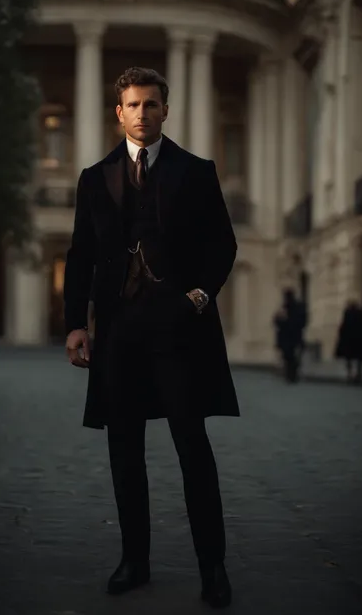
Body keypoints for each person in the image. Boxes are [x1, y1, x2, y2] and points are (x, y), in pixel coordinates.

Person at [64, 67, 239, 608]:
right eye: (133, 105)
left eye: (152, 104)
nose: (143, 113)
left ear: (167, 110)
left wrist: (200, 295)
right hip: (119, 334)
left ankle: (213, 568)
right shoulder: (95, 178)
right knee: (125, 453)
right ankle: (133, 561)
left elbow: (223, 245)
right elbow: (80, 256)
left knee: (193, 449)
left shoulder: (197, 171)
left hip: (179, 333)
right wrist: (76, 323)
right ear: (119, 112)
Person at [335, 299, 362, 382]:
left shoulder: (348, 313)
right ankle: (359, 373)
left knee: (349, 357)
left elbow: (344, 326)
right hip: (360, 338)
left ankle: (350, 373)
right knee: (359, 357)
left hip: (350, 339)